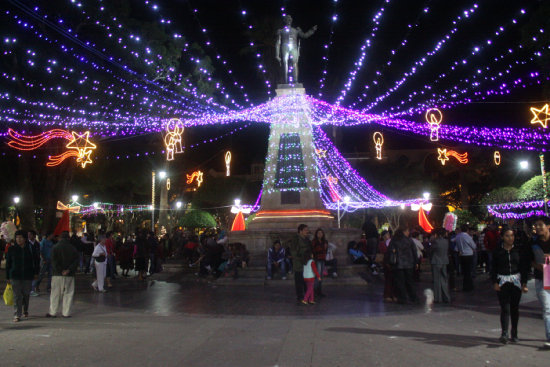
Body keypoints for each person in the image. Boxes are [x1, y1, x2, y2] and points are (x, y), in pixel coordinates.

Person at [492, 227, 529, 344]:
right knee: (505, 308)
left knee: (514, 308)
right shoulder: (497, 252)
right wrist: (494, 282)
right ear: (502, 237)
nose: (510, 238)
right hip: (502, 282)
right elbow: (493, 268)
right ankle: (504, 333)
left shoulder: (518, 251)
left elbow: (524, 268)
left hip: (516, 281)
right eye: (507, 236)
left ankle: (514, 333)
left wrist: (524, 283)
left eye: (512, 236)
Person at [6, 230, 38, 321]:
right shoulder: (12, 249)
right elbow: (8, 263)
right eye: (17, 237)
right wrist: (8, 276)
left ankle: (25, 310)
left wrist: (36, 273)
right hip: (15, 276)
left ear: (25, 239)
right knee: (17, 295)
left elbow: (36, 261)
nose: (18, 239)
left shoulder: (31, 248)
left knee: (26, 294)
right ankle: (17, 314)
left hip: (28, 275)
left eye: (20, 237)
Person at [47, 231, 79, 318]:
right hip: (69, 275)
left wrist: (60, 270)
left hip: (57, 274)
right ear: (68, 238)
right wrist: (68, 270)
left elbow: (53, 261)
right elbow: (76, 261)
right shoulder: (73, 248)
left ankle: (53, 312)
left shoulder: (55, 247)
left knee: (55, 293)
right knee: (68, 293)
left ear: (60, 238)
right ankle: (66, 312)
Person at [529, 216, 550, 349]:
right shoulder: (533, 243)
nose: (537, 227)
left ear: (548, 226)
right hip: (542, 278)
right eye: (535, 225)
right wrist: (541, 266)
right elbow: (529, 260)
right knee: (547, 309)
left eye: (540, 225)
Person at [387, 227, 418, 304]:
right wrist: (416, 262)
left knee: (400, 282)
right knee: (409, 281)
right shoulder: (409, 240)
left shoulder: (394, 240)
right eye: (407, 231)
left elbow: (389, 251)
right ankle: (413, 297)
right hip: (409, 263)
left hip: (398, 264)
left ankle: (402, 298)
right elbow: (414, 251)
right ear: (404, 232)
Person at [289, 224, 311, 302]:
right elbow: (293, 251)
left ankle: (307, 295)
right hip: (298, 263)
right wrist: (300, 258)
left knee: (306, 281)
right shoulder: (296, 239)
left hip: (306, 263)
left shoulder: (307, 240)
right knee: (299, 281)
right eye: (305, 230)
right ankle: (300, 297)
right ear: (300, 231)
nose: (307, 231)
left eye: (307, 230)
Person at [429, 228, 451, 304]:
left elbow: (431, 250)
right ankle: (446, 296)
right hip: (444, 261)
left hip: (436, 261)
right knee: (444, 279)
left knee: (436, 280)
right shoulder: (446, 241)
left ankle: (438, 297)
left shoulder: (435, 242)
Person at [455, 224, 477, 292]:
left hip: (462, 255)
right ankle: (468, 286)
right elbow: (473, 246)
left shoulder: (458, 236)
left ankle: (466, 285)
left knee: (465, 271)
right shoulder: (467, 236)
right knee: (468, 271)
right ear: (467, 230)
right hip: (468, 254)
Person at [379, 230, 395, 302]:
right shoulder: (382, 243)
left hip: (392, 262)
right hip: (386, 262)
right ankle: (387, 295)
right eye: (386, 234)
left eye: (388, 234)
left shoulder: (391, 242)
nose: (388, 236)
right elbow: (384, 251)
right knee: (388, 279)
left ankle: (393, 294)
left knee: (392, 279)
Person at [311, 228, 328, 297]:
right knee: (317, 275)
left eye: (321, 233)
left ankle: (319, 291)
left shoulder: (325, 241)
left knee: (321, 276)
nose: (320, 234)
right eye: (318, 233)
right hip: (317, 259)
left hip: (322, 259)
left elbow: (325, 250)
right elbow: (312, 250)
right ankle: (314, 291)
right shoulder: (314, 241)